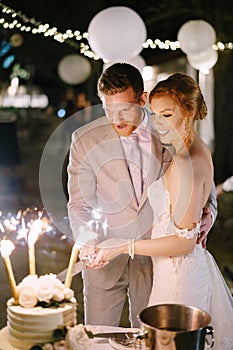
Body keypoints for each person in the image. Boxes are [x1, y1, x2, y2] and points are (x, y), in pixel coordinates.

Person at [67, 64, 217, 328]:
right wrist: (88, 239)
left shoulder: (170, 129)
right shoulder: (84, 139)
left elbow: (202, 177)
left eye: (125, 108)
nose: (117, 119)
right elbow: (78, 204)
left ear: (143, 99)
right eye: (108, 110)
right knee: (98, 338)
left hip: (157, 264)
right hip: (104, 265)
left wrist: (210, 212)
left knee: (151, 339)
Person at [93, 73, 233, 348]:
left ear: (189, 111)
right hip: (174, 271)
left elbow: (183, 242)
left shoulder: (183, 162)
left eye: (167, 114)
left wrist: (123, 245)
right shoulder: (197, 147)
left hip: (179, 278)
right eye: (155, 114)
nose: (159, 123)